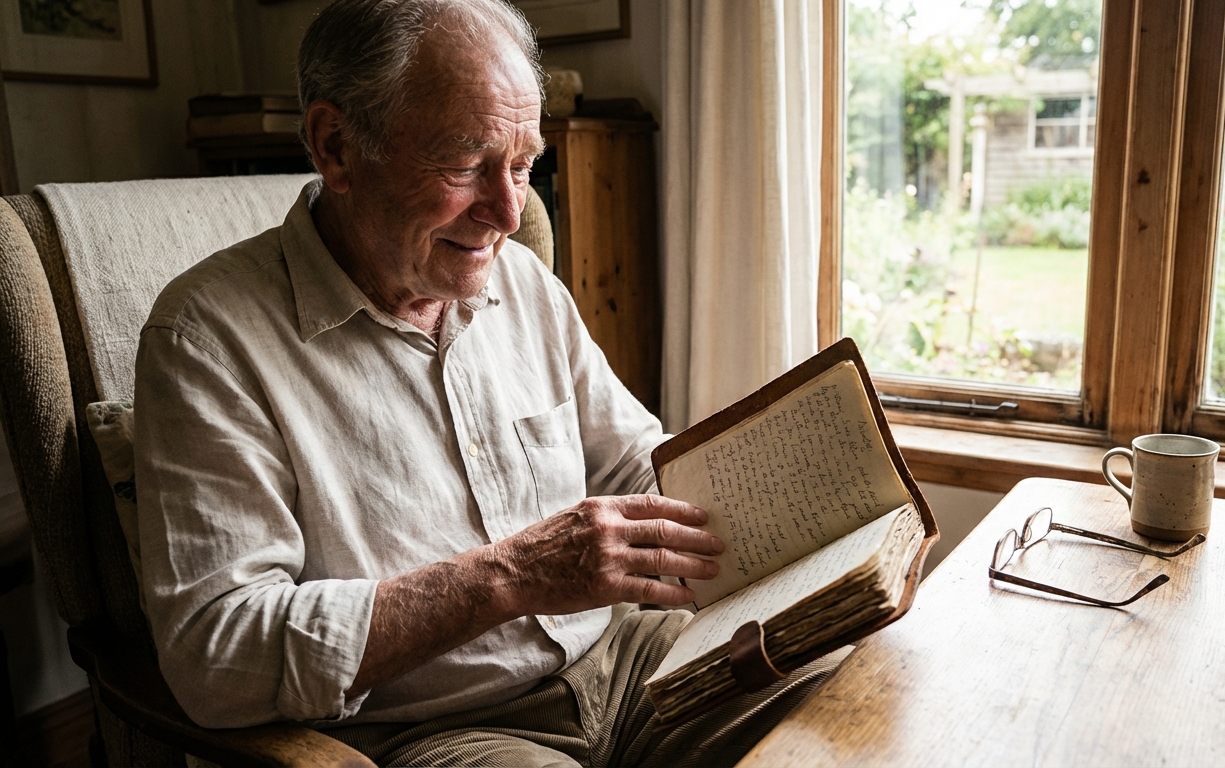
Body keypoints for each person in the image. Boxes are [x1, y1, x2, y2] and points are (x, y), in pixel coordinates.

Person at [133, 0, 837, 765]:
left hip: (625, 660)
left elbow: (636, 462)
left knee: (840, 682)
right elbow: (215, 654)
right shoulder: (206, 339)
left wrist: (811, 508)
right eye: (467, 165)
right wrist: (506, 578)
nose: (510, 211)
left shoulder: (523, 283)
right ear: (335, 146)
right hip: (441, 725)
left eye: (524, 163)